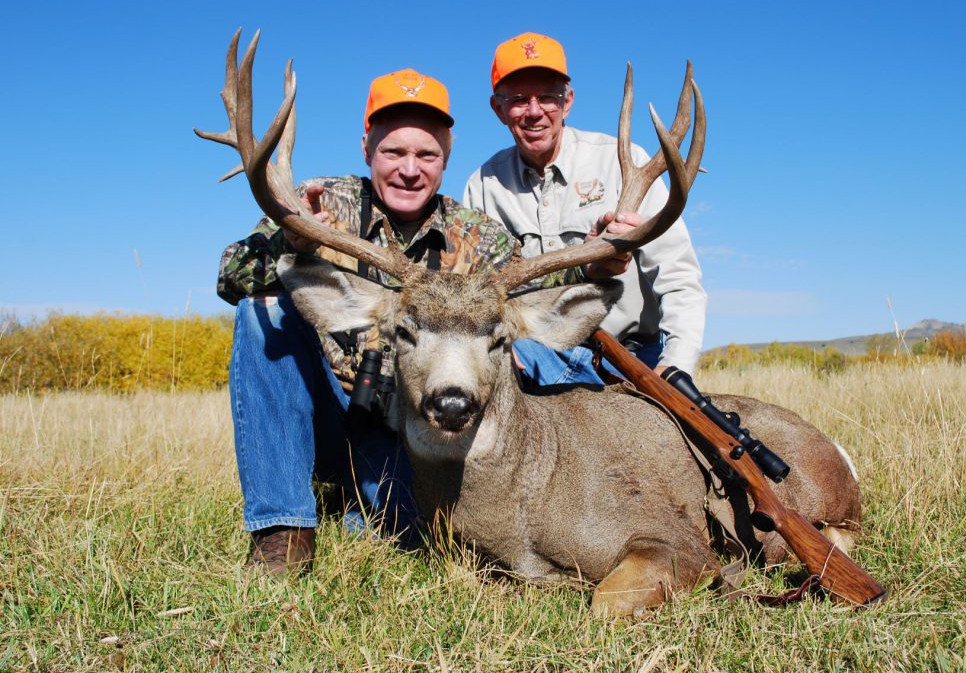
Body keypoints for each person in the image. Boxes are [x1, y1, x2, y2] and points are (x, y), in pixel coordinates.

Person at [217, 69, 533, 574]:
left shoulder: (479, 239)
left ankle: (351, 503)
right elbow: (230, 275)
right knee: (264, 311)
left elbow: (535, 301)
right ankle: (283, 531)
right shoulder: (319, 205)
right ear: (367, 148)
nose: (410, 169)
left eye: (426, 155)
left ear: (446, 159)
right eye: (393, 152)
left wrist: (602, 260)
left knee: (401, 534)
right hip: (326, 410)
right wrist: (291, 240)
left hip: (414, 431)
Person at [464, 32, 707, 383]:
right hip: (533, 360)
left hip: (629, 358)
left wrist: (676, 363)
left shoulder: (622, 162)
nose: (535, 112)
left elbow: (679, 278)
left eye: (548, 97)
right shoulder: (484, 186)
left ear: (568, 102)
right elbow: (479, 297)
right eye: (519, 99)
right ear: (498, 109)